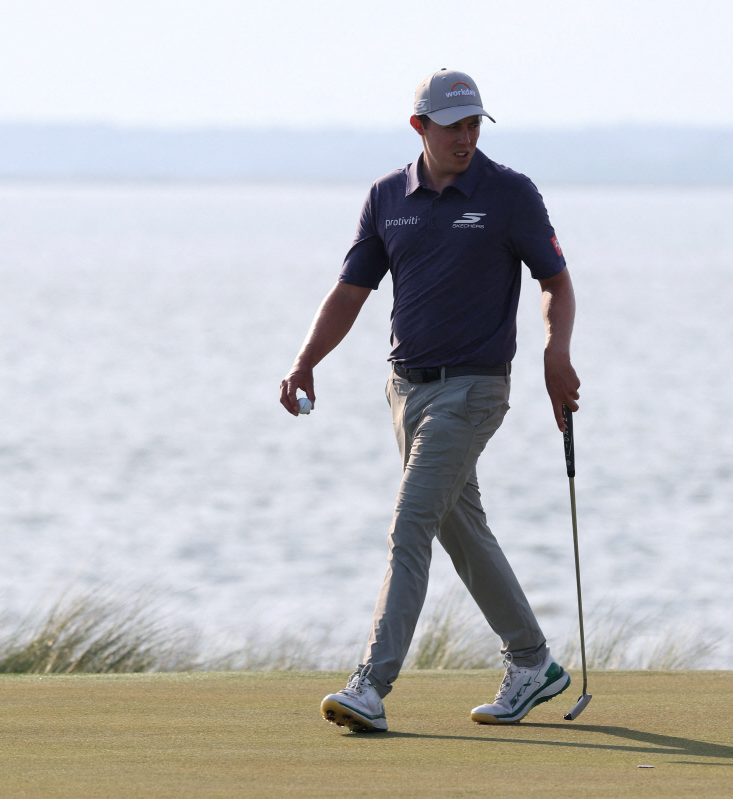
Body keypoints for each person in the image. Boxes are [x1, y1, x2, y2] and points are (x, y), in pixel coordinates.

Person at [279, 68, 580, 732]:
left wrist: (555, 350)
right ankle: (534, 663)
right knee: (458, 527)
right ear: (421, 127)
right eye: (454, 127)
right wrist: (305, 361)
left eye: (475, 125)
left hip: (475, 389)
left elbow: (556, 282)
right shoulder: (388, 197)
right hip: (405, 391)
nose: (467, 138)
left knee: (410, 521)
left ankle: (370, 684)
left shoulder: (510, 194)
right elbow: (349, 293)